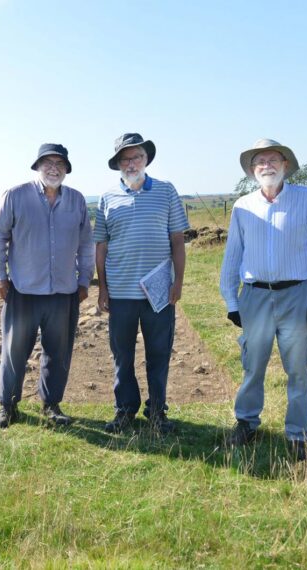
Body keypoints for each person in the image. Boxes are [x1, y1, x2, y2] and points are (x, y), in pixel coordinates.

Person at [220, 139, 307, 460]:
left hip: (298, 294)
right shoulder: (243, 206)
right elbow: (233, 255)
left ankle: (299, 434)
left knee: (298, 368)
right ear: (252, 170)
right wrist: (231, 300)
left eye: (273, 159)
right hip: (255, 296)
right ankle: (246, 422)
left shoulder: (306, 199)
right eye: (260, 161)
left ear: (285, 166)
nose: (267, 165)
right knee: (252, 365)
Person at [0, 143, 94, 428]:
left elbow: (86, 244)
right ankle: (7, 406)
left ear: (67, 169)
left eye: (60, 163)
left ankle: (51, 405)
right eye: (47, 162)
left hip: (63, 292)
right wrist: (0, 276)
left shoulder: (76, 201)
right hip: (23, 290)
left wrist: (84, 279)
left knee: (58, 352)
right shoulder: (15, 196)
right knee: (14, 351)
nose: (54, 168)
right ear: (37, 166)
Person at [94, 133, 190, 435]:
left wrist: (178, 282)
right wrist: (103, 289)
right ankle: (125, 410)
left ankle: (157, 412)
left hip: (159, 292)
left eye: (136, 157)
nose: (131, 163)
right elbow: (101, 247)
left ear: (146, 159)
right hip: (121, 293)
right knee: (122, 356)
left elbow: (177, 240)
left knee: (158, 354)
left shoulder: (166, 191)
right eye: (125, 159)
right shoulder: (107, 198)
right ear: (118, 164)